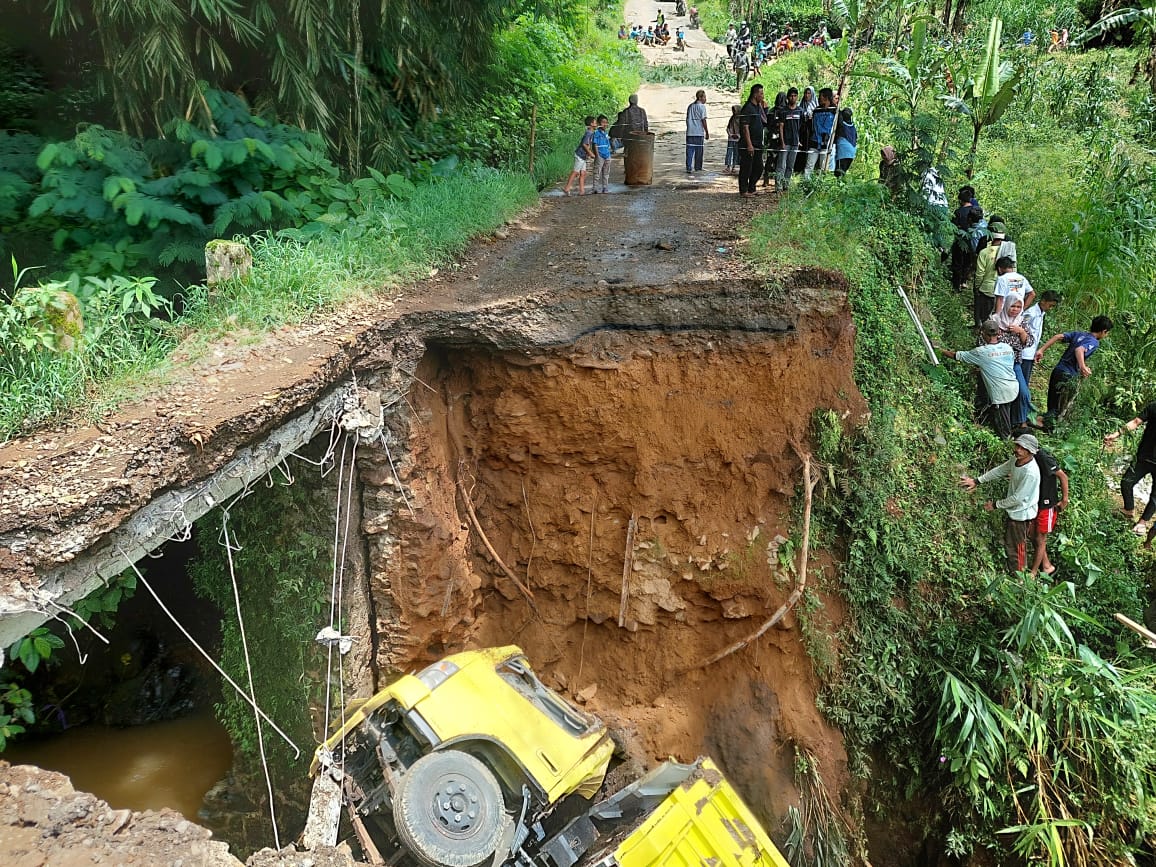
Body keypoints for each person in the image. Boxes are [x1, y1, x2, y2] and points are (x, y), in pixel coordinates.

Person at [961, 433, 1042, 574]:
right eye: (1017, 445)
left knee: (1018, 547)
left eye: (1022, 447)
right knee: (1012, 544)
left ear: (1030, 452)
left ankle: (1021, 578)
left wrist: (995, 505)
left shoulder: (1031, 473)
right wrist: (977, 481)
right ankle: (1016, 574)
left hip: (1022, 514)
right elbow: (1000, 471)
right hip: (1015, 511)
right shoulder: (1016, 460)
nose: (1017, 449)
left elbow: (1017, 498)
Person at [937, 319, 1019, 438]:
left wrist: (940, 350)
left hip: (1000, 393)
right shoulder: (1007, 348)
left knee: (1003, 428)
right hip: (1013, 387)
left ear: (983, 333)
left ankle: (1007, 445)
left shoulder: (981, 352)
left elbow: (957, 356)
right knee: (1006, 415)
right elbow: (1001, 366)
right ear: (999, 333)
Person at [1035, 316, 1113, 429]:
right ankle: (1049, 426)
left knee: (1053, 401)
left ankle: (1046, 421)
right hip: (1067, 374)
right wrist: (1083, 367)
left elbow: (1058, 336)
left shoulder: (1079, 334)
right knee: (1060, 404)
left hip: (1058, 370)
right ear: (1103, 331)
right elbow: (1079, 350)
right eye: (1107, 333)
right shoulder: (1093, 342)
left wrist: (1041, 350)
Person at [1103, 402, 1156, 536]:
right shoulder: (1154, 406)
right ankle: (1129, 509)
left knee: (1155, 496)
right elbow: (1136, 421)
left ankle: (1142, 522)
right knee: (1126, 482)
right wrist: (1116, 434)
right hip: (1144, 456)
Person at [993, 291, 1035, 431]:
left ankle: (1020, 421)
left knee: (1023, 392)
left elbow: (1029, 342)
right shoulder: (995, 321)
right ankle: (1002, 423)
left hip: (1014, 363)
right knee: (1005, 393)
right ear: (1006, 305)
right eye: (1012, 306)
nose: (1015, 310)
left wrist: (1021, 332)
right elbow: (986, 341)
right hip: (998, 364)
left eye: (1018, 307)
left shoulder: (1021, 322)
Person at [1030, 443, 1069, 577]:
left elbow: (1063, 476)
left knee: (1040, 538)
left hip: (1047, 504)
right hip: (1036, 502)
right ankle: (1047, 566)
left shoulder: (1043, 457)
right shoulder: (1028, 457)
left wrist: (1064, 500)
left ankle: (1034, 572)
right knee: (1034, 536)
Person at [1019, 290, 1061, 399]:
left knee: (1025, 383)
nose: (1050, 308)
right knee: (1022, 385)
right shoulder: (1031, 313)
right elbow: (1021, 328)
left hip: (1031, 353)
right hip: (1024, 353)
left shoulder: (1041, 314)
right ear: (1043, 301)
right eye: (1050, 305)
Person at [738, 84, 767, 198]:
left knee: (758, 167)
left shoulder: (758, 107)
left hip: (758, 143)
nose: (762, 96)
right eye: (761, 93)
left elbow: (765, 122)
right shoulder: (748, 108)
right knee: (746, 167)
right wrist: (749, 144)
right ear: (755, 94)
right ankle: (744, 190)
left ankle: (752, 187)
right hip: (748, 144)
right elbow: (745, 128)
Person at [776, 86, 803, 192]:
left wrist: (798, 139)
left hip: (795, 142)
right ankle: (778, 186)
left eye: (795, 96)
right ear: (788, 97)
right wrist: (782, 141)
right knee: (781, 165)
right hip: (785, 141)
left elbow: (800, 126)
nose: (793, 98)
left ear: (797, 97)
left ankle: (786, 185)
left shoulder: (800, 111)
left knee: (790, 165)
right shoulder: (783, 111)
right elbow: (781, 126)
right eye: (791, 96)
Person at [805, 88, 837, 176]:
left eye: (821, 97)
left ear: (826, 97)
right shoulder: (817, 110)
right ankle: (806, 185)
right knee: (809, 166)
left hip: (827, 143)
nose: (819, 99)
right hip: (815, 141)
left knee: (824, 167)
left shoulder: (834, 111)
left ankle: (823, 186)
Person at [562, 115, 595, 196]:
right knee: (575, 172)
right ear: (591, 124)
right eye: (595, 122)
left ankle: (582, 191)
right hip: (580, 155)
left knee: (583, 173)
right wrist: (590, 153)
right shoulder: (589, 133)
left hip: (583, 157)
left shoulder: (590, 132)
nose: (596, 123)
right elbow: (584, 144)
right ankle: (567, 188)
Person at [685, 90, 709, 172]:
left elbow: (687, 119)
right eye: (704, 97)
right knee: (699, 151)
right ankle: (698, 167)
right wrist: (707, 132)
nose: (705, 99)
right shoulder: (702, 107)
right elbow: (704, 120)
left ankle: (688, 167)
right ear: (700, 97)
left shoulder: (690, 106)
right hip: (698, 132)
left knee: (689, 151)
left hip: (690, 132)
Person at [591, 115, 612, 194]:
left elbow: (608, 144)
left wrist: (609, 154)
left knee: (606, 173)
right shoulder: (596, 133)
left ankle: (605, 187)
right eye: (603, 122)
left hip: (607, 155)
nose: (605, 124)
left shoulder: (606, 133)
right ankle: (595, 188)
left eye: (606, 122)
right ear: (599, 123)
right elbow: (595, 144)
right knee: (597, 172)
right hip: (600, 155)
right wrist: (597, 154)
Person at [834, 107, 857, 177]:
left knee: (838, 172)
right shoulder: (853, 126)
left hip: (843, 152)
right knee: (843, 172)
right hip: (852, 153)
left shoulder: (841, 125)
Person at [724, 104, 741, 174]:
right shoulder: (732, 118)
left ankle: (734, 166)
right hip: (731, 138)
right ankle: (728, 166)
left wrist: (739, 135)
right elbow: (728, 127)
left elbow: (742, 129)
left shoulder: (741, 119)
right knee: (729, 153)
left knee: (736, 153)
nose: (733, 112)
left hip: (737, 139)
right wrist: (730, 134)